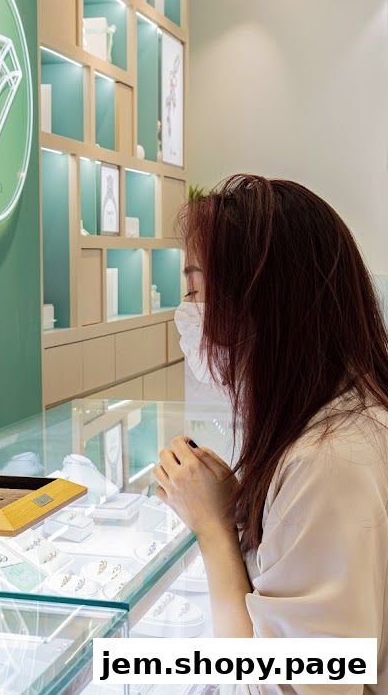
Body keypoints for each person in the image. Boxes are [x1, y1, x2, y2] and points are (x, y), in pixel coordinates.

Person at [158, 175, 388, 691]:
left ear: (262, 303)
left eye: (196, 290)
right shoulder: (341, 420)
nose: (188, 312)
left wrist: (213, 527)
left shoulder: (328, 462)